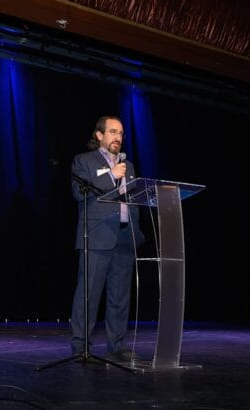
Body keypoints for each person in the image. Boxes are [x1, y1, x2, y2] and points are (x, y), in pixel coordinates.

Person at [69, 115, 145, 364]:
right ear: (99, 135)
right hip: (97, 236)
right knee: (88, 295)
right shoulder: (84, 162)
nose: (118, 137)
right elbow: (79, 193)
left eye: (121, 133)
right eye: (113, 132)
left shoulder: (129, 166)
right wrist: (111, 174)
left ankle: (117, 345)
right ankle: (81, 347)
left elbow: (133, 199)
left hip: (125, 237)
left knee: (120, 297)